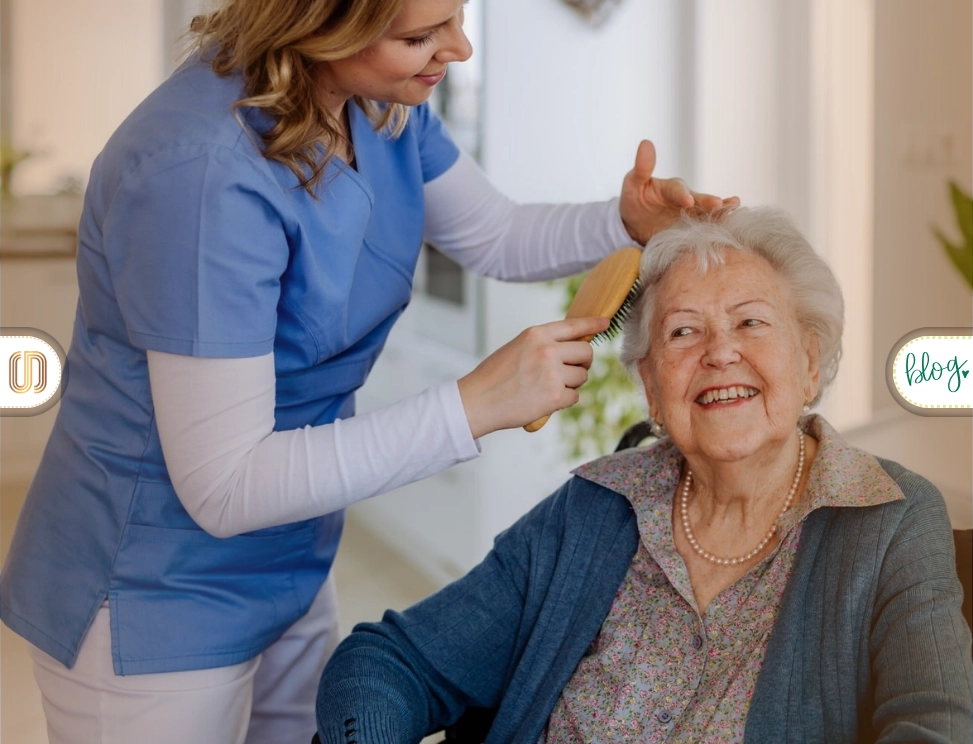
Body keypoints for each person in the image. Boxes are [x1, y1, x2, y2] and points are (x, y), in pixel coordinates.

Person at [0, 1, 737, 742]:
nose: (460, 48)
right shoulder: (197, 171)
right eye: (419, 36)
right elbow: (224, 487)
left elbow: (496, 234)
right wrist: (473, 405)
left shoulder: (373, 105)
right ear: (319, 26)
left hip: (288, 553)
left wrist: (622, 223)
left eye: (454, 14)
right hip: (149, 591)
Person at [315, 206, 973, 743]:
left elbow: (935, 727)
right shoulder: (593, 509)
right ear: (652, 391)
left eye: (750, 322)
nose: (720, 352)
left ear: (808, 361)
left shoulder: (889, 517)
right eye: (683, 333)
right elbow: (391, 662)